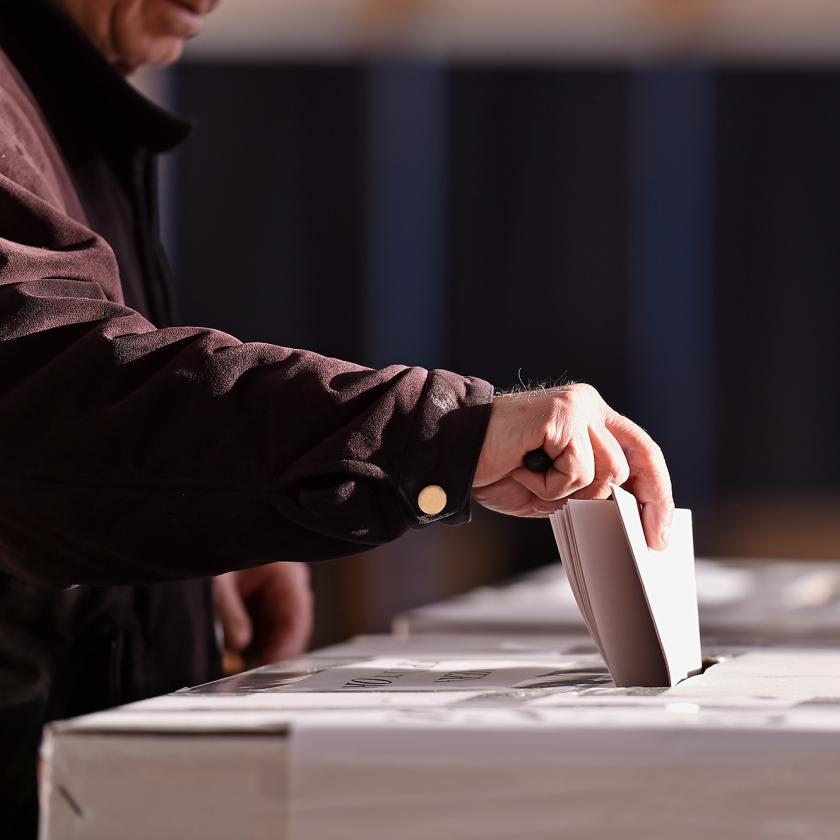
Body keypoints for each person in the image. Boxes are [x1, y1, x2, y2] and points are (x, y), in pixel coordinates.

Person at [0, 0, 674, 834]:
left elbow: (73, 461)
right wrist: (444, 434)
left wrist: (188, 546)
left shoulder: (61, 101)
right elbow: (43, 412)